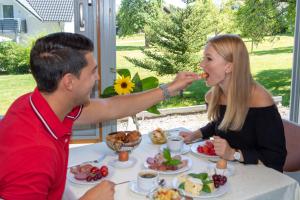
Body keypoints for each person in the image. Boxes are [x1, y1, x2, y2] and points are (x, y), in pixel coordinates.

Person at [0, 32, 199, 200]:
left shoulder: (36, 102)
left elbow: (110, 107)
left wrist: (169, 89)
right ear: (69, 82)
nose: (98, 78)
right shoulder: (33, 153)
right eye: (93, 71)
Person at [180, 34, 287, 172]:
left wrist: (233, 154)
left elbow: (276, 159)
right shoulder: (215, 95)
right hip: (228, 171)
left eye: (209, 59)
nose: (201, 64)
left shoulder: (260, 100)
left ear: (229, 67)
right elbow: (221, 125)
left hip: (259, 177)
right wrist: (195, 135)